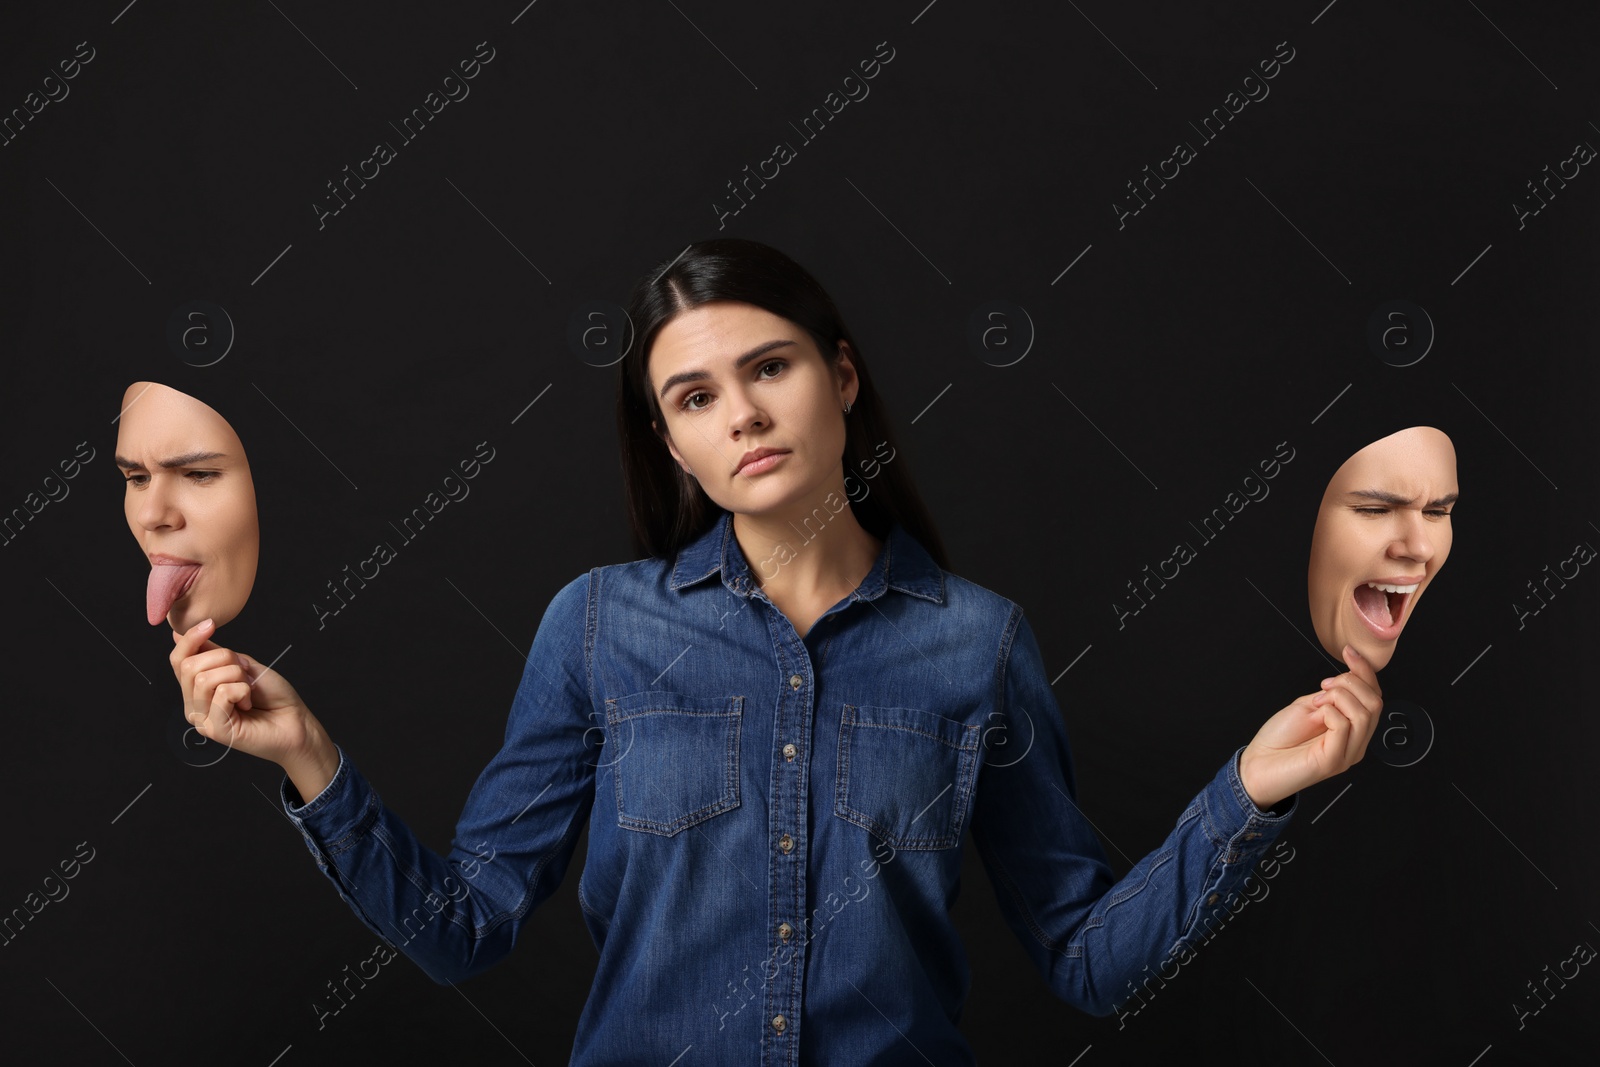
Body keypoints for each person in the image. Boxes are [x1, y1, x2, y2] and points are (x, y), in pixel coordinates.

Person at [167, 238, 1382, 1064]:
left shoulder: (975, 641)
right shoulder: (598, 625)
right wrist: (311, 758)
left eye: (768, 367)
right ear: (671, 440)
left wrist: (1247, 796)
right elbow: (466, 924)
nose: (741, 412)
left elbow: (1080, 956)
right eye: (694, 396)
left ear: (839, 377)